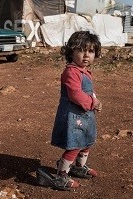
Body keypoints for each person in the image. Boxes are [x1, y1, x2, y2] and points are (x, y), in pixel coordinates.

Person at [51, 30, 102, 190]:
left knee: (87, 141)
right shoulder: (71, 72)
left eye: (91, 51)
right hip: (73, 116)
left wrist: (96, 101)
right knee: (74, 145)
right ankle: (61, 175)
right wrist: (93, 103)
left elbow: (88, 92)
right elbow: (75, 94)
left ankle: (79, 166)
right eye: (81, 50)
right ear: (71, 52)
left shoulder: (84, 71)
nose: (86, 55)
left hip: (84, 116)